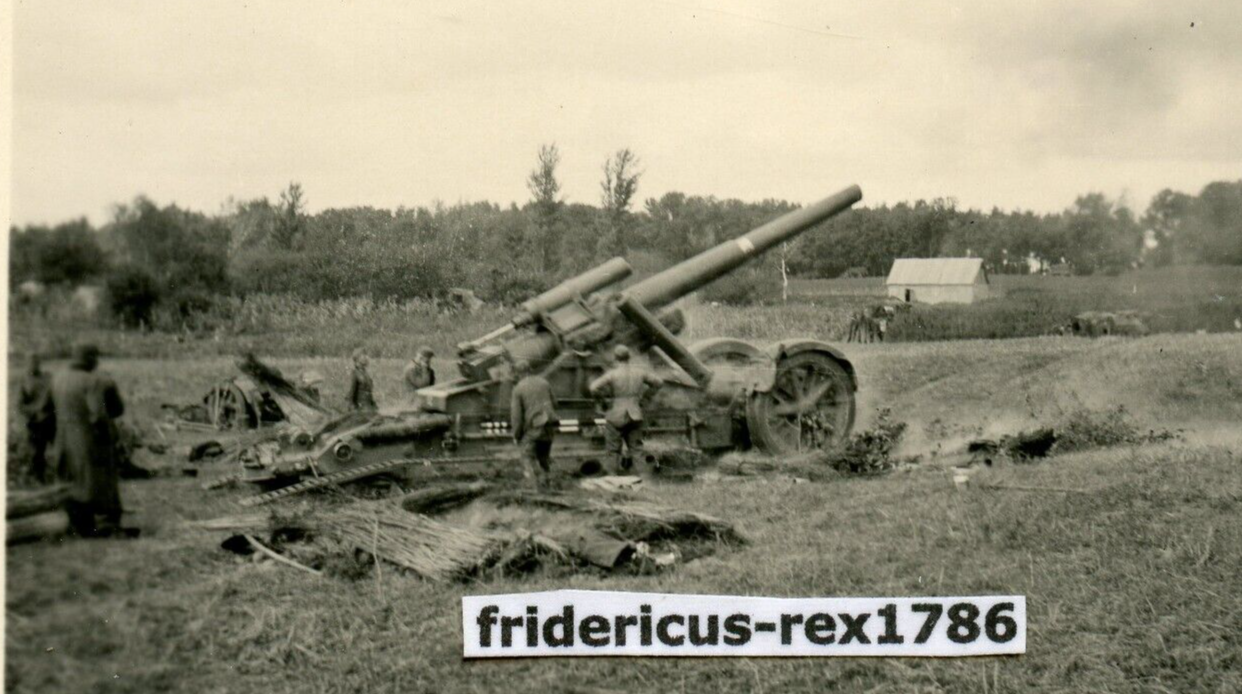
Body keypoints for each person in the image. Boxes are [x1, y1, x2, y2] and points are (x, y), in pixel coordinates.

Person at [51, 343, 130, 538]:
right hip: (89, 441)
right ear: (90, 359)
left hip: (63, 440)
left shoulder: (57, 379)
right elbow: (101, 415)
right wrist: (108, 438)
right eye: (95, 357)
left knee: (72, 482)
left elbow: (47, 412)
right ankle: (105, 524)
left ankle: (76, 523)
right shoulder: (95, 381)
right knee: (99, 482)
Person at [588, 345, 662, 473]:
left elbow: (593, 387)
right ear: (629, 357)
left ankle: (612, 477)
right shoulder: (640, 372)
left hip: (616, 413)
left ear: (616, 358)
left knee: (613, 450)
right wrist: (645, 398)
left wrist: (603, 400)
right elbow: (659, 382)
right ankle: (645, 478)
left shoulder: (612, 374)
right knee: (637, 449)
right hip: (635, 413)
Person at [509, 360, 557, 489]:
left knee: (526, 457)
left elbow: (516, 417)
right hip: (549, 427)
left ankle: (534, 488)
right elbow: (555, 403)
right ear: (530, 370)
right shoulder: (544, 382)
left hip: (534, 427)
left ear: (518, 374)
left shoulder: (518, 389)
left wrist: (516, 435)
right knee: (544, 458)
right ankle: (548, 484)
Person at [19, 353, 56, 484]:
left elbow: (55, 396)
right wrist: (34, 412)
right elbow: (20, 405)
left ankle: (61, 477)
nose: (34, 365)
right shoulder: (24, 381)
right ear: (26, 364)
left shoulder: (48, 378)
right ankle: (40, 479)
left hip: (51, 420)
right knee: (37, 453)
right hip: (35, 423)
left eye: (36, 362)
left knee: (60, 449)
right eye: (31, 362)